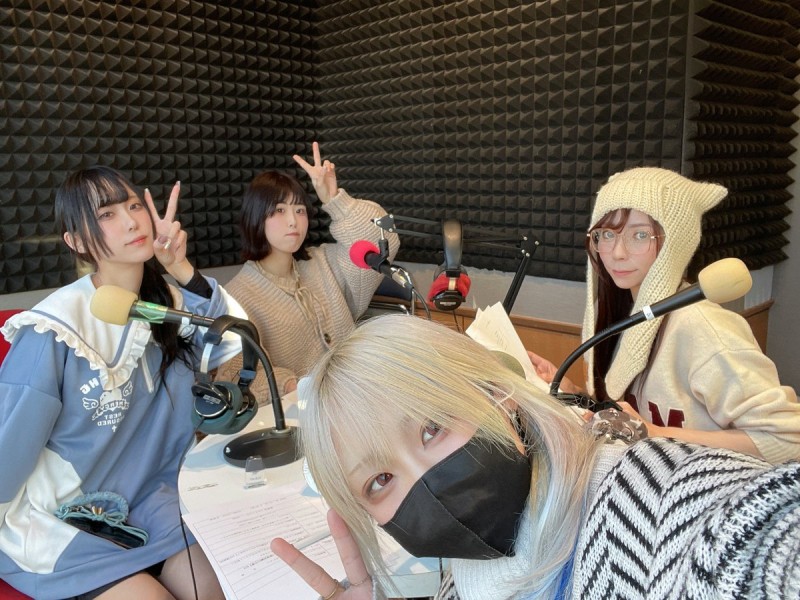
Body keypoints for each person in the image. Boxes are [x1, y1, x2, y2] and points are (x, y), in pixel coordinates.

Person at [271, 314, 800, 600]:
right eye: (380, 480)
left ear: (496, 397)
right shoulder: (464, 576)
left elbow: (757, 537)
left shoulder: (650, 495)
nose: (426, 482)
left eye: (433, 427)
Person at [0, 166, 241, 599]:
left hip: (156, 500)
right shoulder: (54, 330)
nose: (132, 221)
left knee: (219, 587)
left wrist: (181, 268)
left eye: (133, 206)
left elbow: (233, 342)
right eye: (107, 214)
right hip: (66, 519)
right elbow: (7, 447)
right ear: (76, 241)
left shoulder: (168, 305)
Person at [529, 167, 800, 464]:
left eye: (640, 235)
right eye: (606, 234)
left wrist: (655, 434)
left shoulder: (704, 328)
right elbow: (629, 415)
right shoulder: (621, 316)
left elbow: (788, 439)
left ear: (675, 242)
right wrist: (573, 392)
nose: (617, 252)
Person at [218, 141, 399, 402]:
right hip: (303, 412)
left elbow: (383, 242)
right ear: (256, 217)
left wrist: (334, 200)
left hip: (359, 395)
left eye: (299, 210)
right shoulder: (237, 297)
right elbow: (233, 374)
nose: (293, 221)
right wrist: (290, 385)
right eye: (279, 210)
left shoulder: (324, 262)